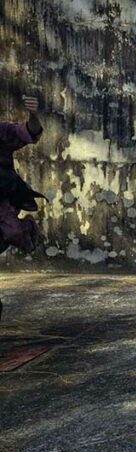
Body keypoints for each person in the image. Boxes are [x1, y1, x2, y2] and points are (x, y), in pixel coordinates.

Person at [1, 95, 46, 321]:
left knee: (13, 232)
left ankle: (27, 228)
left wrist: (34, 115)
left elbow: (29, 132)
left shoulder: (2, 132)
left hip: (1, 205)